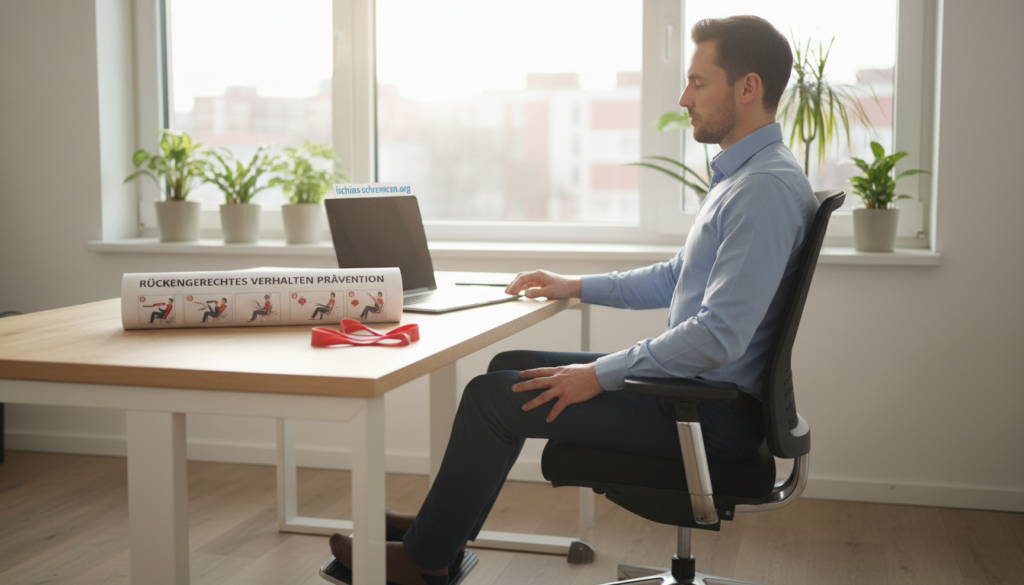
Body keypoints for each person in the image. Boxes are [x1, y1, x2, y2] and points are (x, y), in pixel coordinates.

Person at [326, 15, 817, 585]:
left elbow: (718, 336)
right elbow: (675, 279)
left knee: (493, 398)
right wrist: (575, 286)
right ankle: (441, 533)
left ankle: (424, 562)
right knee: (509, 369)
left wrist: (601, 375)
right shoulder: (746, 178)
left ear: (748, 87)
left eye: (698, 83)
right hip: (703, 396)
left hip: (708, 416)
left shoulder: (760, 191)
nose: (684, 98)